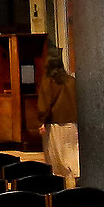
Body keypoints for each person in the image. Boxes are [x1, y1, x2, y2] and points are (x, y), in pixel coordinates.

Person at [39, 53, 79, 181]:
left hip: (55, 125)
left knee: (57, 161)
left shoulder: (48, 82)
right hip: (72, 124)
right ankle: (75, 185)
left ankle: (62, 192)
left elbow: (44, 105)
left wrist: (42, 122)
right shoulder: (72, 81)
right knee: (72, 155)